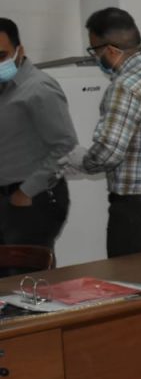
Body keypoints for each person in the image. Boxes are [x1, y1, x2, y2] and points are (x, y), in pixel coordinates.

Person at [64, 8, 141, 258]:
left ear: (111, 50)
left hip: (138, 214)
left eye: (94, 52)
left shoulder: (126, 86)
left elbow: (109, 152)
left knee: (130, 280)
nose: (96, 58)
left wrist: (80, 161)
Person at [0, 17, 77, 262]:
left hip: (32, 199)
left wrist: (26, 191)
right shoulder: (4, 88)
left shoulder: (39, 88)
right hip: (7, 199)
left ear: (20, 51)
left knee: (25, 276)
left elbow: (65, 145)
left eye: (1, 55)